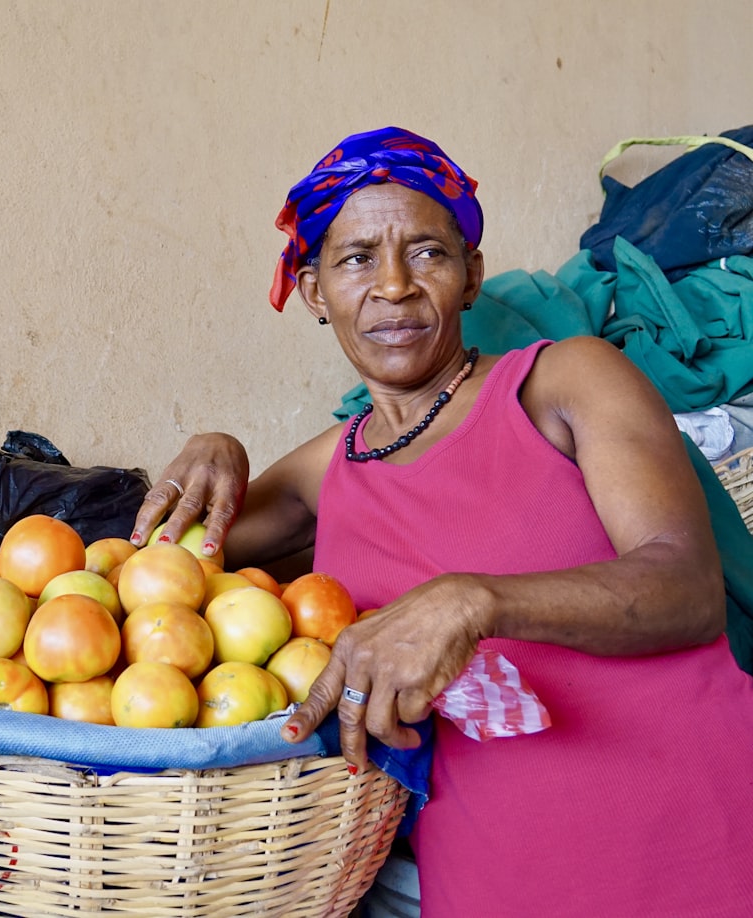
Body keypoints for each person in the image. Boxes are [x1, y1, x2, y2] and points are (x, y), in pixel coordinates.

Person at [130, 127, 753, 916]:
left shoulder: (563, 380)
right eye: (356, 258)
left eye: (426, 252)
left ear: (469, 276)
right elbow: (154, 568)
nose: (393, 286)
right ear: (316, 291)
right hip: (496, 871)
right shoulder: (331, 467)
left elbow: (686, 585)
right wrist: (218, 447)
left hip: (696, 835)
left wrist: (476, 601)